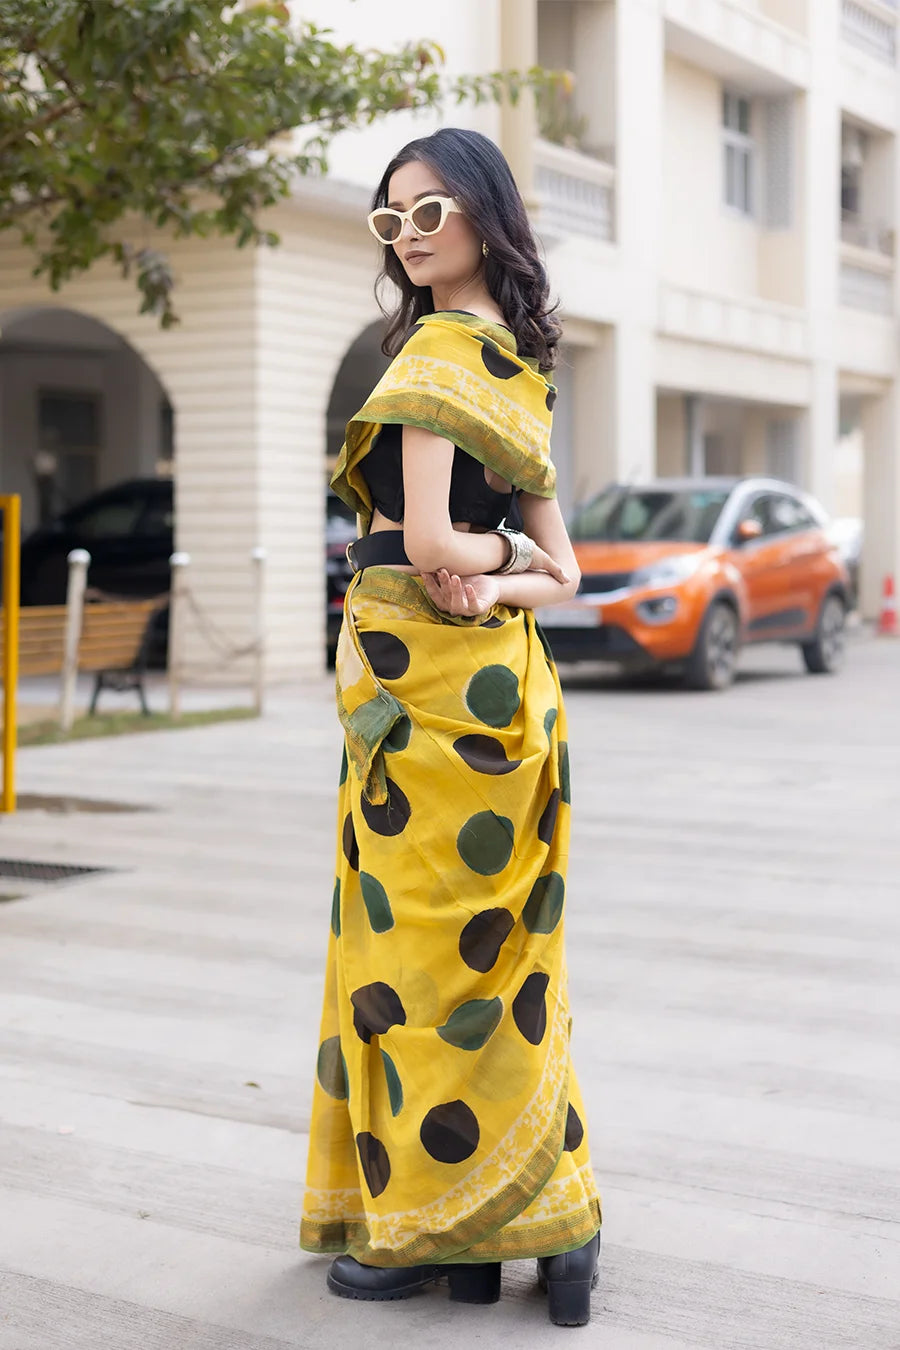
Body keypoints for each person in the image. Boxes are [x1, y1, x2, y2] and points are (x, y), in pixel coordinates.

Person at [300, 126, 602, 1328]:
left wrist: (476, 559)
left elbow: (427, 546)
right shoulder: (522, 365)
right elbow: (563, 575)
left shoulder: (434, 354)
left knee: (415, 964)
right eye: (392, 221)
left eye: (428, 213)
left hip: (421, 704)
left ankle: (445, 1231)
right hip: (510, 697)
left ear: (483, 212)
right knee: (506, 962)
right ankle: (544, 1227)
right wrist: (509, 564)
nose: (409, 238)